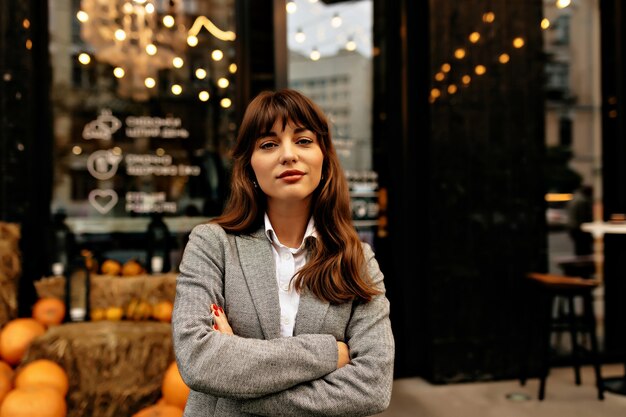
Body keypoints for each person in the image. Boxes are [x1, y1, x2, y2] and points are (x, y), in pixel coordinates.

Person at [172, 89, 395, 416]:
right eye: (268, 144)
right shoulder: (211, 244)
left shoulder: (358, 259)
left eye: (303, 141)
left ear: (324, 158)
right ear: (249, 165)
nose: (288, 155)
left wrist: (236, 384)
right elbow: (198, 360)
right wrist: (327, 354)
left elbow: (373, 387)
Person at [566, 185, 594, 256]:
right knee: (583, 249)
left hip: (573, 226)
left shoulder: (575, 198)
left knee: (579, 248)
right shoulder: (583, 201)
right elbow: (584, 217)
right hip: (579, 228)